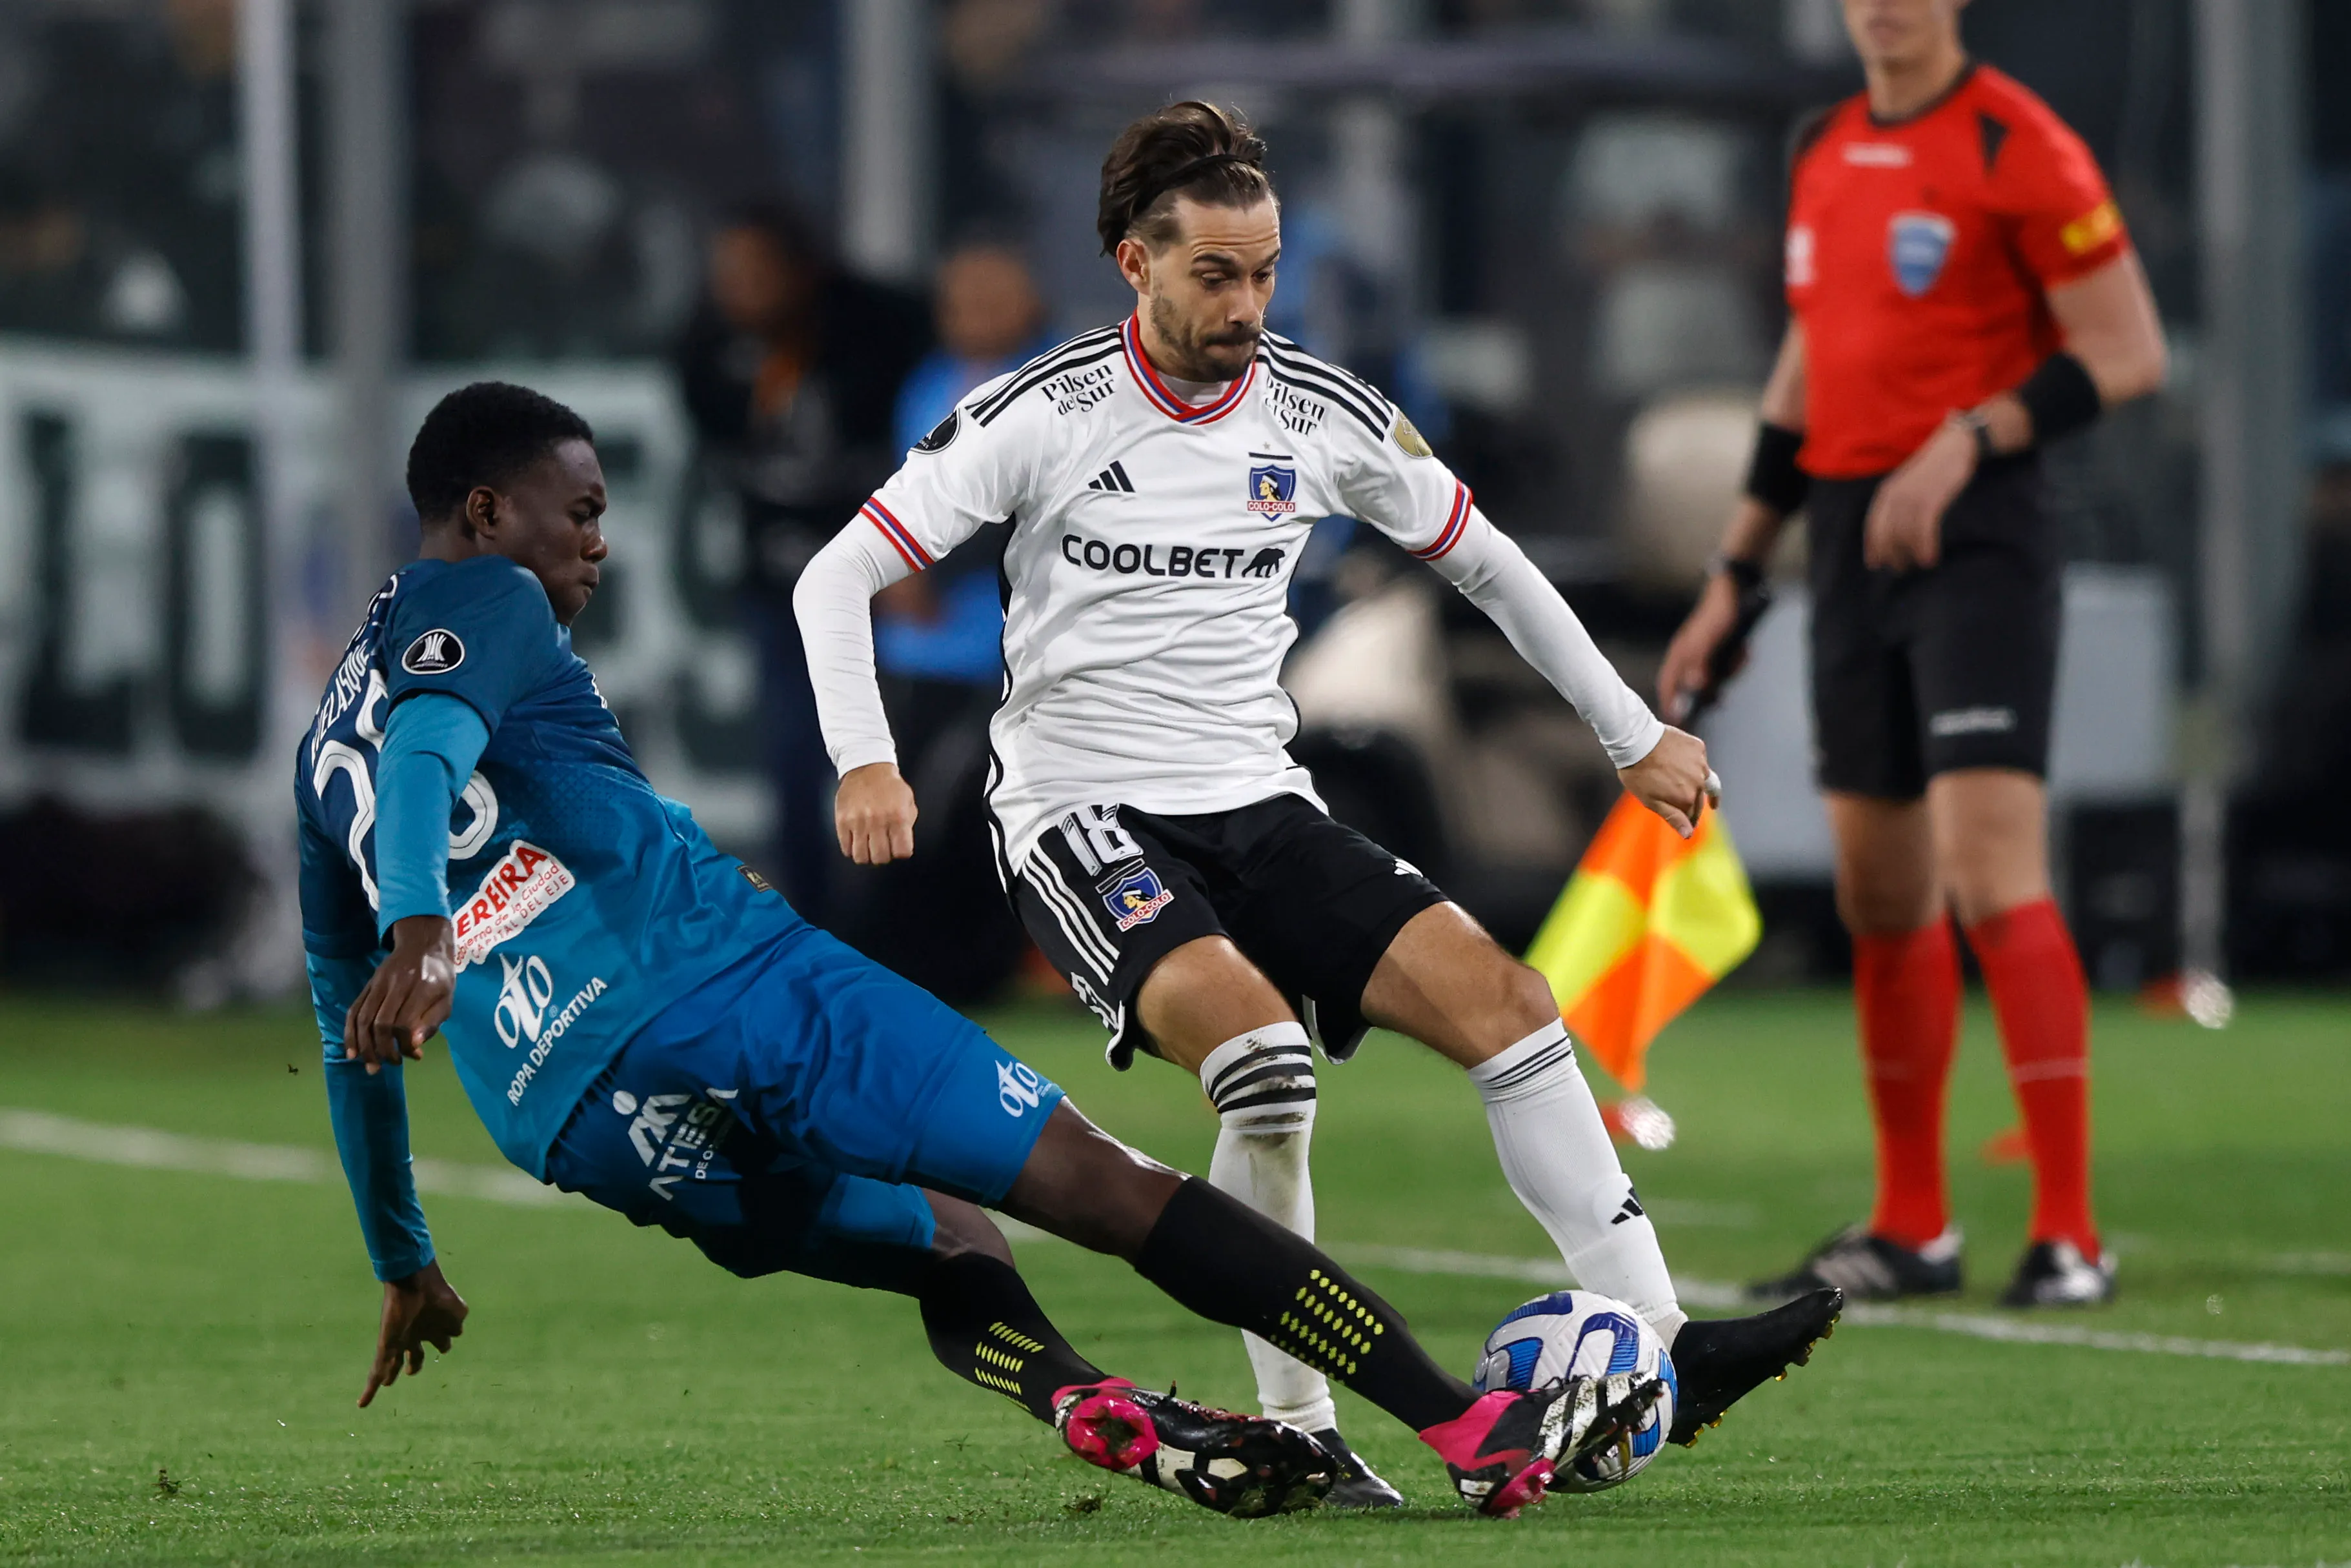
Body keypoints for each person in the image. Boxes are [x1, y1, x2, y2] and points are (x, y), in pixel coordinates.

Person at [297, 381, 1668, 1522]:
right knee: (1108, 1187)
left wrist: (401, 1253)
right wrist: (423, 932)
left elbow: (334, 1018)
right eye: (581, 514)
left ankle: (1072, 1392)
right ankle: (1463, 1422)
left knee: (938, 1240)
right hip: (722, 980)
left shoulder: (315, 756)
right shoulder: (487, 600)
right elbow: (427, 753)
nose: (596, 547)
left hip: (568, 1115)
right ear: (486, 513)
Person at [791, 101, 1843, 1507]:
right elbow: (835, 577)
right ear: (1135, 265)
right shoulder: (1040, 411)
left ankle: (1657, 1341)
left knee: (1513, 1009)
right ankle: (1301, 1421)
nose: (1247, 303)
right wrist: (865, 757)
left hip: (1260, 802)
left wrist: (1630, 731)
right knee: (1265, 1066)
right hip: (1080, 810)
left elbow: (1489, 562)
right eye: (1215, 274)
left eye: (1265, 270)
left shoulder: (1318, 411)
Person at [1657, 0, 2168, 1307]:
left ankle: (2069, 1233)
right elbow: (1804, 370)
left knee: (1994, 871)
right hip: (1842, 532)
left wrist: (1968, 439)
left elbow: (2125, 351)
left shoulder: (2020, 144)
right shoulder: (1822, 143)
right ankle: (1912, 1227)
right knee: (1882, 894)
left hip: (1981, 534)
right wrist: (1732, 574)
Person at [672, 203, 931, 926]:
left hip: (885, 576)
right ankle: (812, 922)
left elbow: (917, 434)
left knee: (900, 751)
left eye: (758, 274)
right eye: (729, 276)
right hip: (777, 584)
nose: (740, 290)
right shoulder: (709, 344)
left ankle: (901, 924)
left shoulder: (876, 329)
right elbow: (720, 440)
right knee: (792, 753)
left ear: (802, 271)